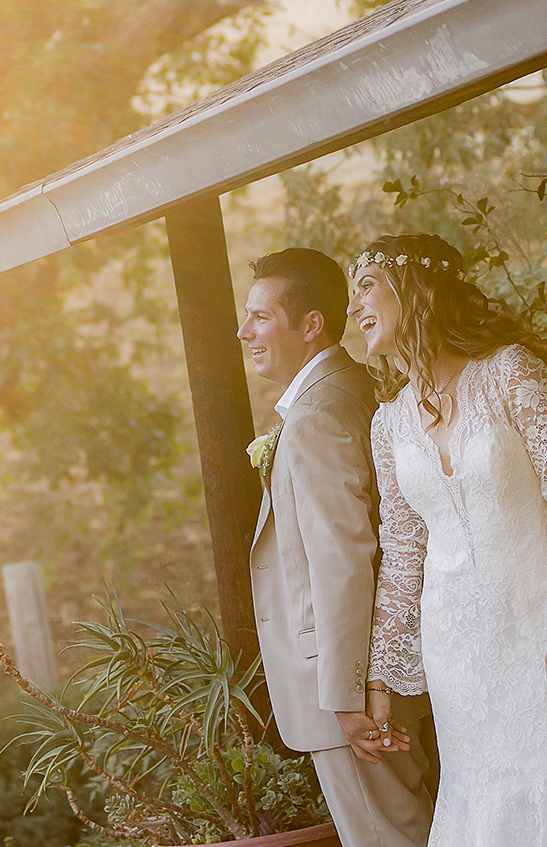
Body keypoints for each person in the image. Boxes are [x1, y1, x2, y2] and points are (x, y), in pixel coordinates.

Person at [346, 233, 547, 847]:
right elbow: (403, 552)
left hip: (541, 633)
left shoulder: (510, 373)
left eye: (366, 286)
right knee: (481, 808)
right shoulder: (388, 423)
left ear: (415, 289)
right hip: (457, 654)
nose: (354, 306)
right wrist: (380, 680)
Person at [238, 247, 435, 847]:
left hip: (352, 685)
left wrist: (349, 694)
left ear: (312, 324)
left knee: (389, 837)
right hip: (396, 663)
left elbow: (344, 559)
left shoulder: (316, 416)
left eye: (261, 317)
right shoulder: (359, 388)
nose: (245, 332)